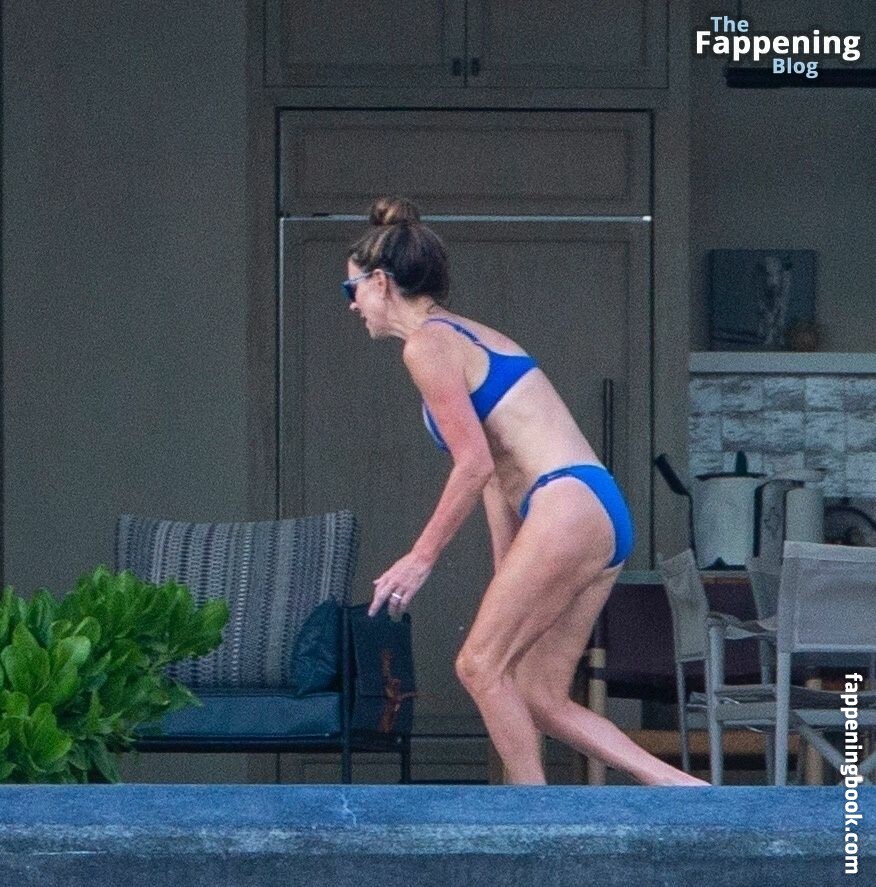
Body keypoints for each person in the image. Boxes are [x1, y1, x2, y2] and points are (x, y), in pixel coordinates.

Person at [347, 196, 708, 787]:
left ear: (381, 283)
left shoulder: (428, 346)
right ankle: (685, 789)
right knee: (539, 694)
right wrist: (506, 573)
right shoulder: (462, 335)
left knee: (478, 664)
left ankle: (531, 819)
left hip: (565, 503)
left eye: (353, 289)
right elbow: (495, 474)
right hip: (592, 508)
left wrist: (420, 557)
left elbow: (472, 466)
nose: (352, 304)